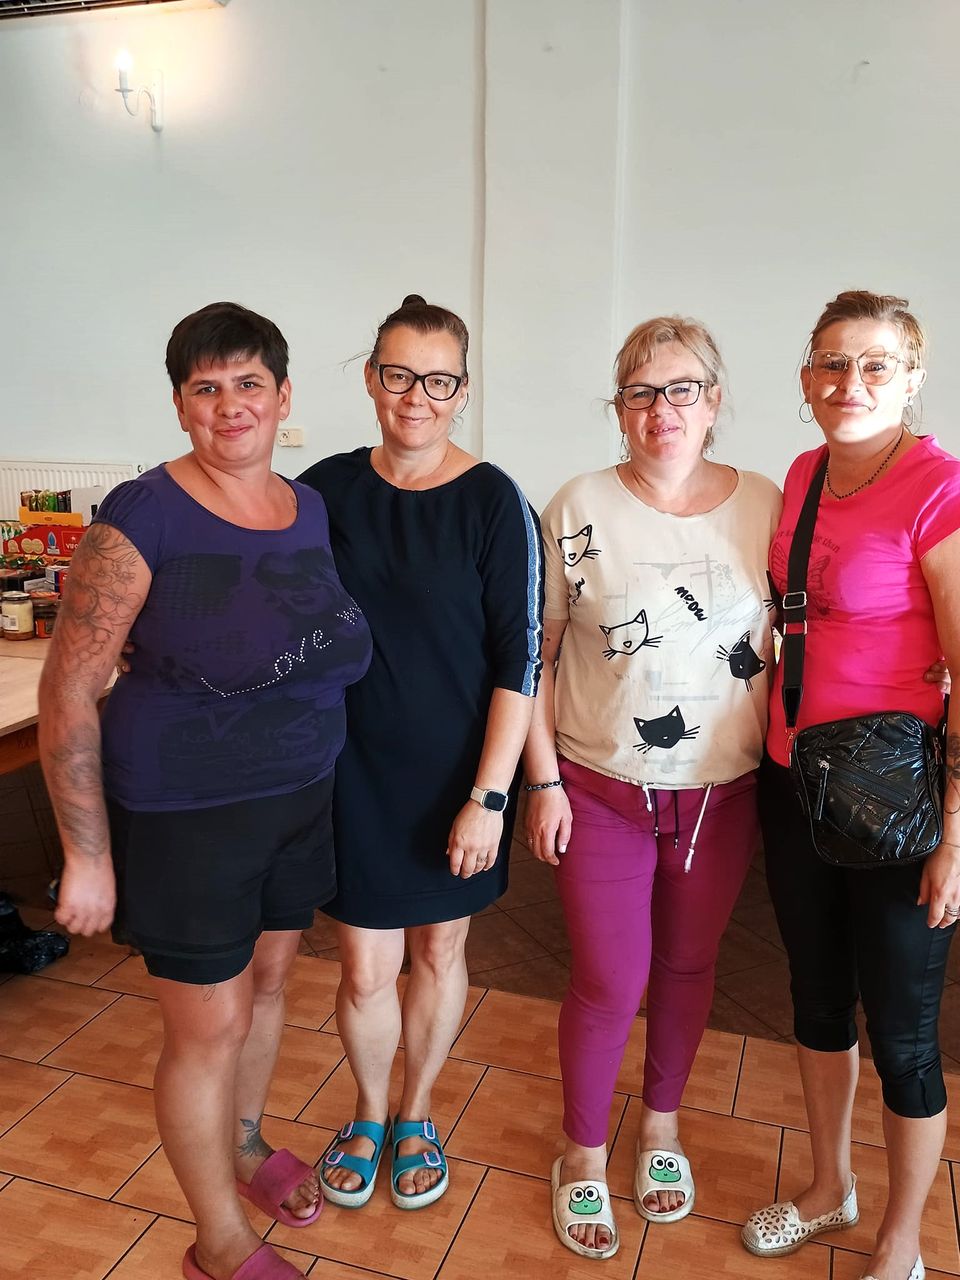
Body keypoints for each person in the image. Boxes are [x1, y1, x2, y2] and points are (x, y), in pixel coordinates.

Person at [39, 303, 372, 1280]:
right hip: (188, 815)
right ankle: (218, 1241)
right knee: (206, 1028)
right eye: (206, 387)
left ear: (284, 395)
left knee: (267, 987)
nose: (231, 405)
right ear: (182, 404)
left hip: (299, 797)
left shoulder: (306, 506)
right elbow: (69, 688)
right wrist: (87, 853)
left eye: (249, 383)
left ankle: (243, 1142)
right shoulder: (143, 515)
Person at [523, 316, 783, 1259]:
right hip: (598, 786)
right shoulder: (578, 502)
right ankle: (582, 1150)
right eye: (640, 392)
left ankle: (661, 1122)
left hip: (722, 791)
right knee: (607, 978)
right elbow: (536, 655)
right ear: (619, 408)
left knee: (687, 964)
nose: (661, 409)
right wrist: (541, 781)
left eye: (681, 390)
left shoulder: (768, 503)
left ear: (713, 402)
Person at [297, 295, 543, 1210]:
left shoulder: (494, 502)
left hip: (457, 777)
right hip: (349, 769)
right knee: (365, 966)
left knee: (439, 953)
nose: (417, 397)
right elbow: (271, 606)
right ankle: (368, 1112)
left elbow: (521, 659)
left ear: (462, 391)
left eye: (439, 381)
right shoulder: (321, 490)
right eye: (399, 375)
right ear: (371, 379)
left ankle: (417, 1113)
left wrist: (490, 797)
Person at [741, 291, 960, 1280]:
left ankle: (900, 1242)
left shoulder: (938, 486)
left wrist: (955, 835)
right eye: (832, 362)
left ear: (912, 379)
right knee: (817, 999)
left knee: (904, 1036)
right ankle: (829, 1186)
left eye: (876, 364)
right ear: (806, 377)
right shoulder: (803, 473)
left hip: (902, 802)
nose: (851, 382)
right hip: (795, 777)